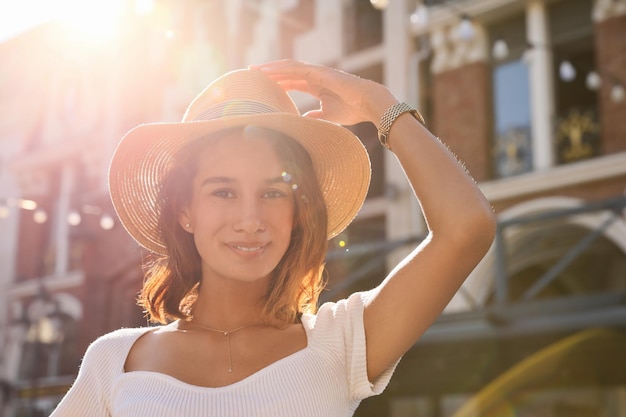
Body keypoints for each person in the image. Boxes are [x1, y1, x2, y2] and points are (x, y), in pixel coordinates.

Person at [50, 60, 496, 417]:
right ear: (185, 211)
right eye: (223, 191)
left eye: (272, 192)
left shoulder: (340, 343)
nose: (250, 219)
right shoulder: (114, 361)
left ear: (298, 214)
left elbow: (466, 229)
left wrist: (378, 103)